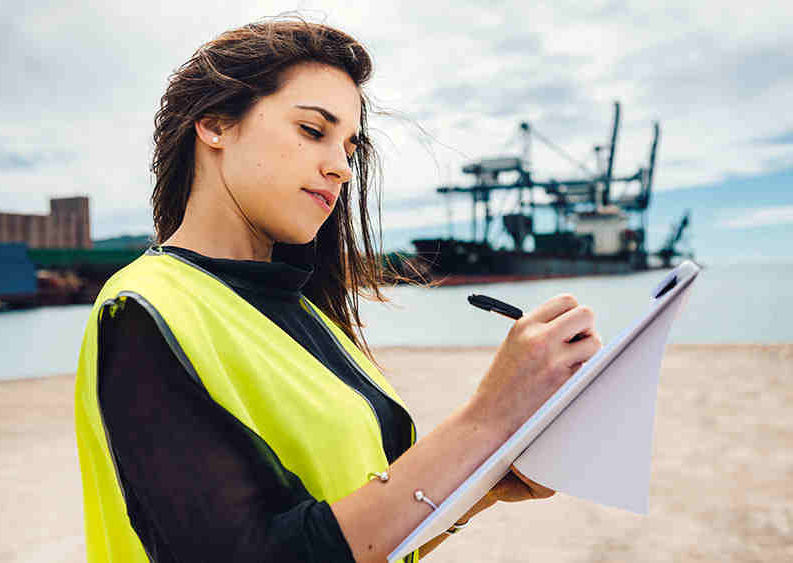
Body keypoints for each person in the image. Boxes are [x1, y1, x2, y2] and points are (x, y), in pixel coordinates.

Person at [74, 17, 602, 563]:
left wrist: (482, 481)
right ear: (214, 125)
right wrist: (484, 419)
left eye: (350, 146)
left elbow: (350, 528)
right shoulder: (142, 310)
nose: (342, 167)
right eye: (312, 131)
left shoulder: (306, 312)